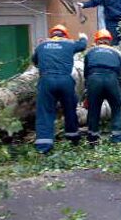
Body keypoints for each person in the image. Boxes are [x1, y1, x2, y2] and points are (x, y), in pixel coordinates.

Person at [32, 24, 87, 154]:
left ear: (52, 35)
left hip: (46, 81)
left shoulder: (41, 45)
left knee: (45, 113)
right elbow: (83, 45)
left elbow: (35, 62)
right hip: (65, 81)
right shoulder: (69, 44)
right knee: (70, 109)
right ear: (64, 35)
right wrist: (83, 36)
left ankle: (43, 146)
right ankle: (73, 139)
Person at [84, 29, 121, 144]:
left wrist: (87, 92)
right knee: (116, 106)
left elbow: (86, 72)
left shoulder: (90, 52)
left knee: (93, 109)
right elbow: (120, 71)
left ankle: (93, 139)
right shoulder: (116, 52)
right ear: (109, 41)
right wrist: (119, 90)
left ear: (97, 41)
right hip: (111, 79)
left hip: (94, 79)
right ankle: (117, 137)